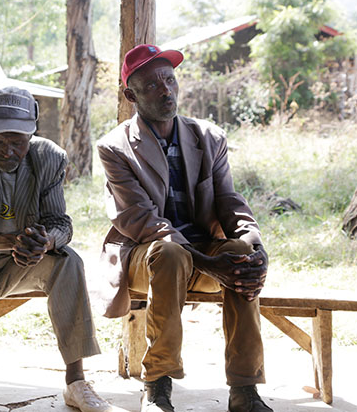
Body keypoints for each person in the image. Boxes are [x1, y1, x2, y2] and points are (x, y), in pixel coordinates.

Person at [96, 44, 272, 412]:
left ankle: (245, 390)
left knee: (240, 255)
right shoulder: (115, 147)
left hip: (204, 254)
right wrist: (206, 264)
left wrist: (254, 243)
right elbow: (144, 222)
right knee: (170, 250)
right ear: (131, 95)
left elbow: (229, 201)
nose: (166, 90)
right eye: (152, 85)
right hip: (147, 259)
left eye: (170, 80)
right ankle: (157, 385)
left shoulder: (208, 137)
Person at [0, 87, 113, 412]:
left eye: (17, 142)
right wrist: (8, 242)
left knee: (68, 260)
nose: (7, 151)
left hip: (22, 263)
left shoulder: (50, 158)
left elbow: (61, 223)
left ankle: (76, 382)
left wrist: (46, 242)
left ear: (32, 134)